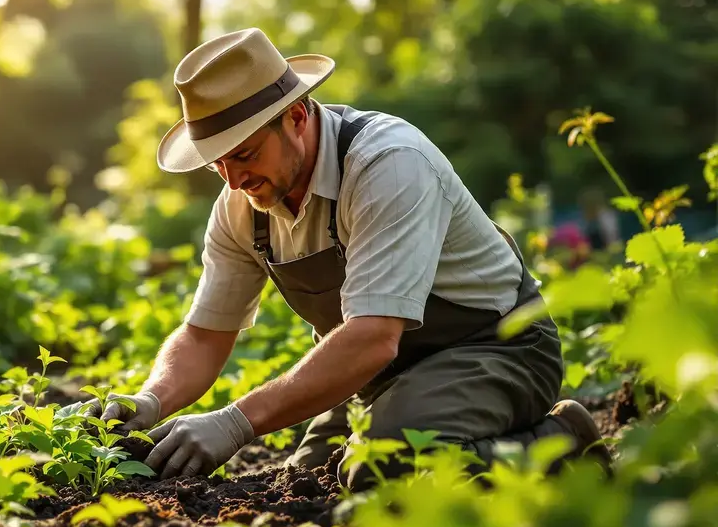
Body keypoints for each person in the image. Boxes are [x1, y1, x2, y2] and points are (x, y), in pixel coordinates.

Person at [83, 28, 611, 489]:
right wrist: (148, 402)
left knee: (385, 469)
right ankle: (407, 423)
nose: (235, 180)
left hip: (497, 349)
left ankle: (563, 441)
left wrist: (235, 422)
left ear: (294, 116)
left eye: (244, 154)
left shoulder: (388, 165)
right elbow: (204, 336)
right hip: (378, 375)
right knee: (312, 475)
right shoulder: (242, 207)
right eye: (217, 165)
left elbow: (374, 335)